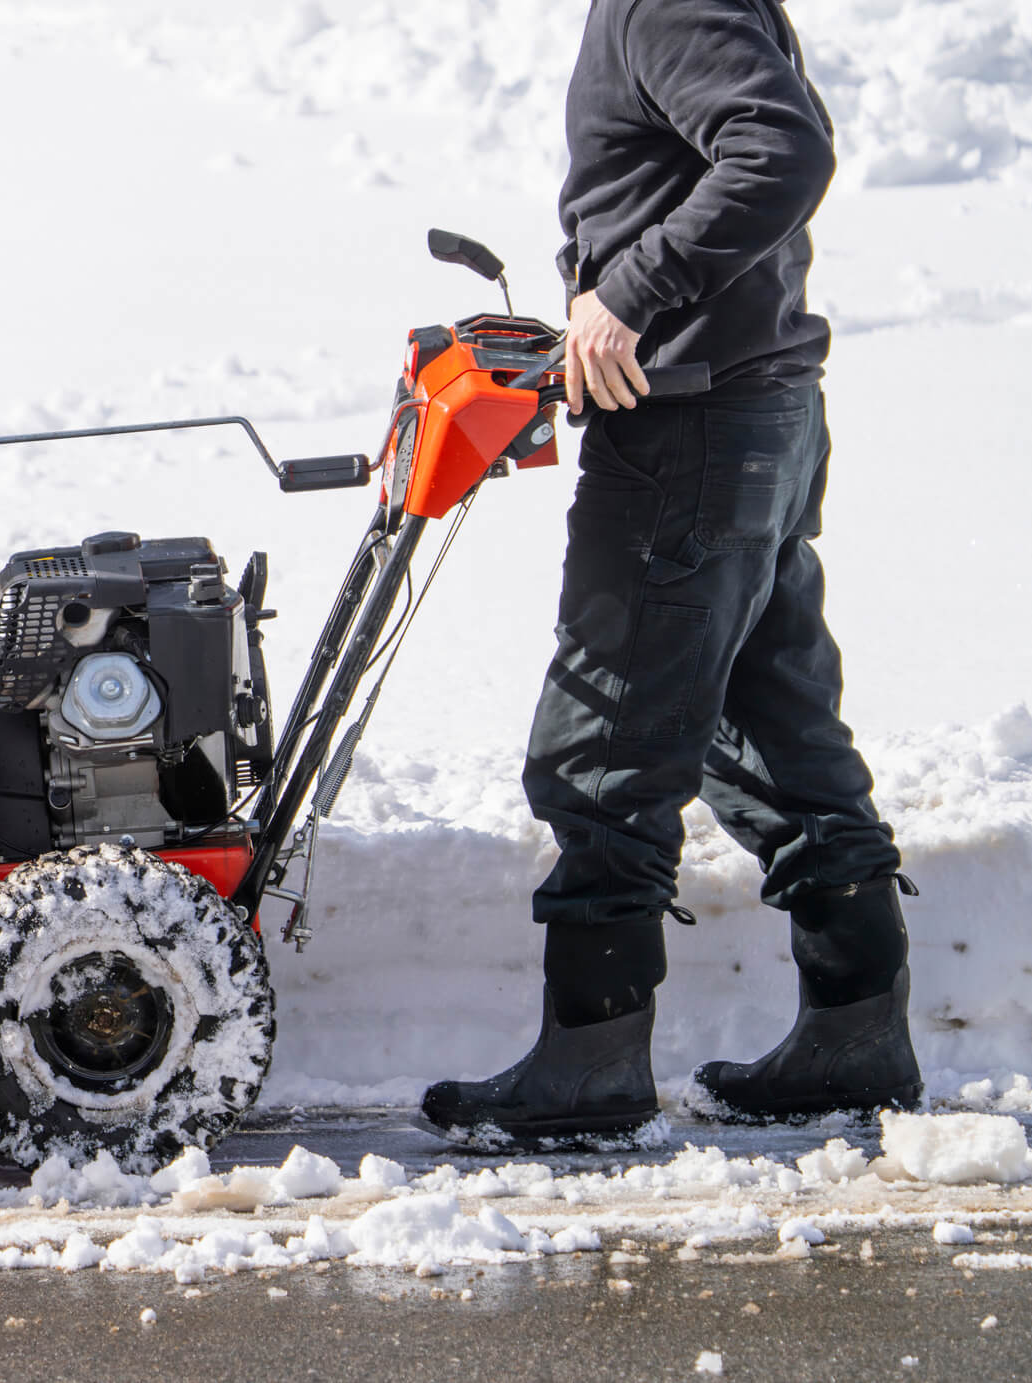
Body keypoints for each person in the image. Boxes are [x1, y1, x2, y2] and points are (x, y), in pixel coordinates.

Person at [418, 0, 920, 1142]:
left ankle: (590, 1061)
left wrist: (626, 297)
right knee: (777, 731)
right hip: (757, 409)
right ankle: (858, 1030)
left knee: (603, 746)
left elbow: (783, 150)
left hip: (691, 429)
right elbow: (744, 150)